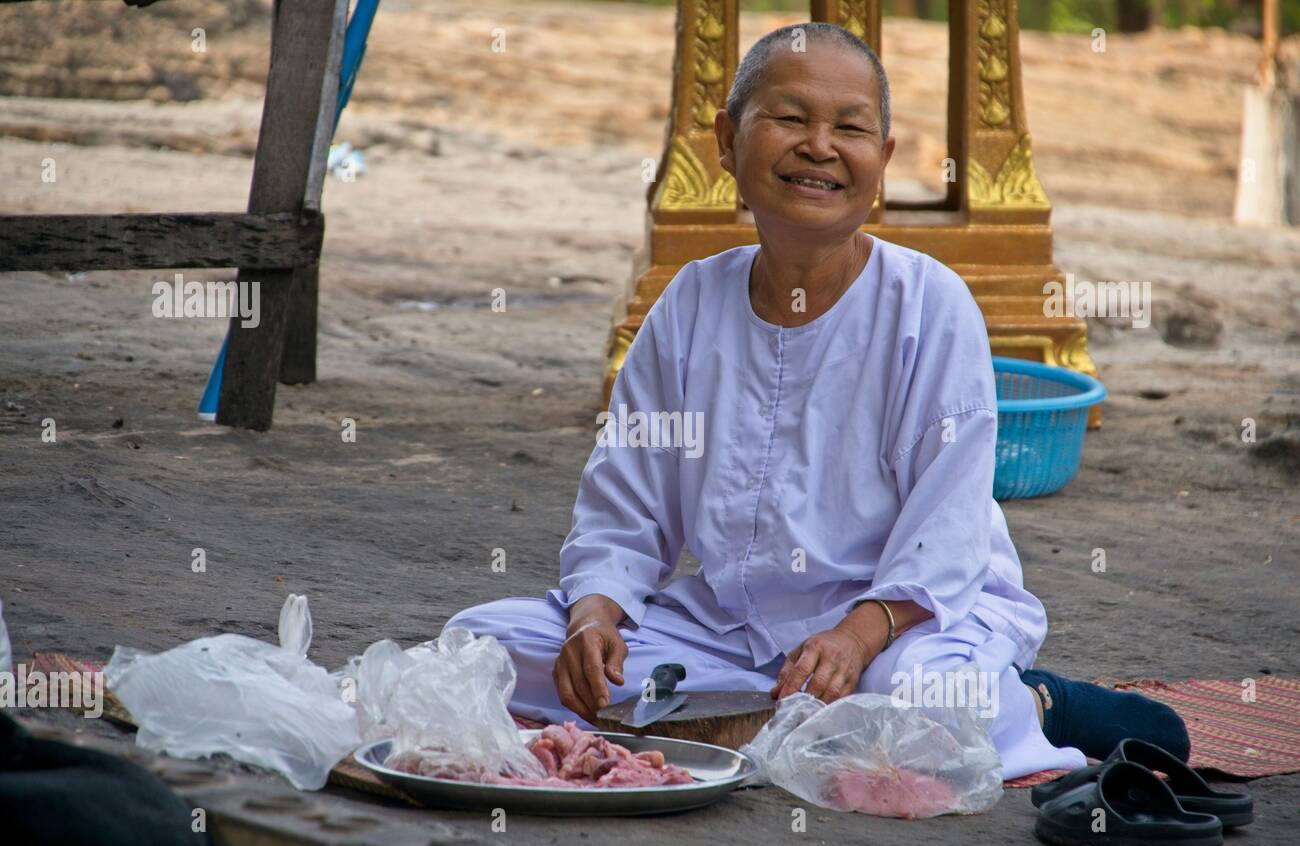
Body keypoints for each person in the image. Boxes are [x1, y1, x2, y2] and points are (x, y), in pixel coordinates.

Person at [448, 22, 1188, 780]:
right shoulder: (690, 303)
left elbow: (948, 526)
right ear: (729, 143)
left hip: (900, 627)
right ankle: (782, 718)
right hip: (723, 631)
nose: (819, 147)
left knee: (923, 704)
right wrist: (597, 614)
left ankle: (1035, 705)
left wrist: (860, 636)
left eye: (850, 128)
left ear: (884, 161)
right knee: (484, 646)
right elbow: (626, 502)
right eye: (792, 119)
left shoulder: (930, 305)